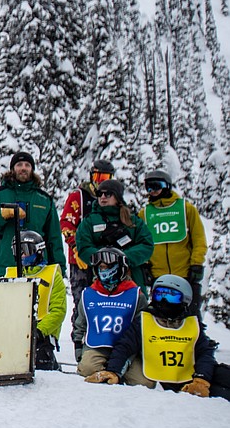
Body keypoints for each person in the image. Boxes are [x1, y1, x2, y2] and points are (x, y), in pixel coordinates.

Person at [85, 275, 222, 398]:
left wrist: (201, 379)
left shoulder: (191, 324)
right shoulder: (145, 320)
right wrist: (113, 371)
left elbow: (205, 353)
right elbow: (125, 346)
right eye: (159, 295)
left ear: (184, 300)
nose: (164, 300)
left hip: (185, 376)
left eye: (171, 297)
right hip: (153, 375)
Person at [0, 151, 65, 278]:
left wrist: (59, 268)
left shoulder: (44, 200)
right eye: (19, 164)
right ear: (12, 168)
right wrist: (1, 216)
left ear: (32, 169)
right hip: (6, 268)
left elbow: (54, 238)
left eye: (27, 165)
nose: (23, 168)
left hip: (39, 270)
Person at [74, 247, 150, 380]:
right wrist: (79, 350)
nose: (104, 271)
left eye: (108, 267)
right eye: (101, 267)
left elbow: (142, 330)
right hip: (98, 346)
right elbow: (80, 324)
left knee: (143, 381)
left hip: (128, 350)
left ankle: (117, 372)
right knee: (87, 369)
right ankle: (107, 373)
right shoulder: (89, 294)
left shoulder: (136, 295)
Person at [138, 169, 207, 313]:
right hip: (159, 277)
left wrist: (196, 264)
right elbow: (141, 242)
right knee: (161, 315)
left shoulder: (186, 209)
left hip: (185, 274)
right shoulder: (145, 214)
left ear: (167, 186)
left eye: (156, 186)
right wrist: (145, 265)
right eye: (148, 187)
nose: (152, 191)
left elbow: (199, 238)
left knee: (191, 316)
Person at [3, 231, 67, 370]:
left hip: (41, 334)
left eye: (25, 250)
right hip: (14, 332)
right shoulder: (11, 274)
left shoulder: (52, 276)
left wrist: (39, 331)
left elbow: (58, 311)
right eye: (18, 251)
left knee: (39, 363)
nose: (22, 255)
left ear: (38, 251)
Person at [75, 179, 154, 288]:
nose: (102, 197)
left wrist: (124, 258)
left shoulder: (133, 221)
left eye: (107, 194)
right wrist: (104, 259)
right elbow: (83, 247)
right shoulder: (89, 221)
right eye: (99, 193)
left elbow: (146, 245)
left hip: (132, 278)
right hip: (101, 277)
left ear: (118, 197)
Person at [60, 159, 115, 305]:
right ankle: (80, 327)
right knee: (82, 302)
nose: (101, 182)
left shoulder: (112, 198)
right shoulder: (79, 196)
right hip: (81, 260)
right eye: (98, 177)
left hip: (105, 259)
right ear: (91, 176)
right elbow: (66, 223)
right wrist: (75, 247)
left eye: (105, 178)